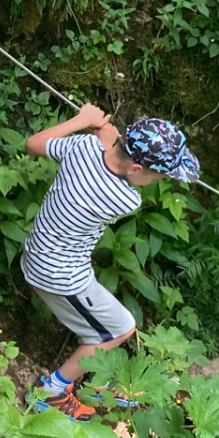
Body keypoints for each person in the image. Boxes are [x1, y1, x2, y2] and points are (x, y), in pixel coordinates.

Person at [20, 104, 199, 420]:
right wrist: (100, 128)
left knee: (104, 325)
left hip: (38, 254)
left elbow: (34, 144)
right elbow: (109, 141)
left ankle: (92, 376)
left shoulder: (81, 147)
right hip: (60, 275)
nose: (158, 182)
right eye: (158, 176)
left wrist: (84, 120)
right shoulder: (126, 199)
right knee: (117, 330)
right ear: (135, 170)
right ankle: (52, 391)